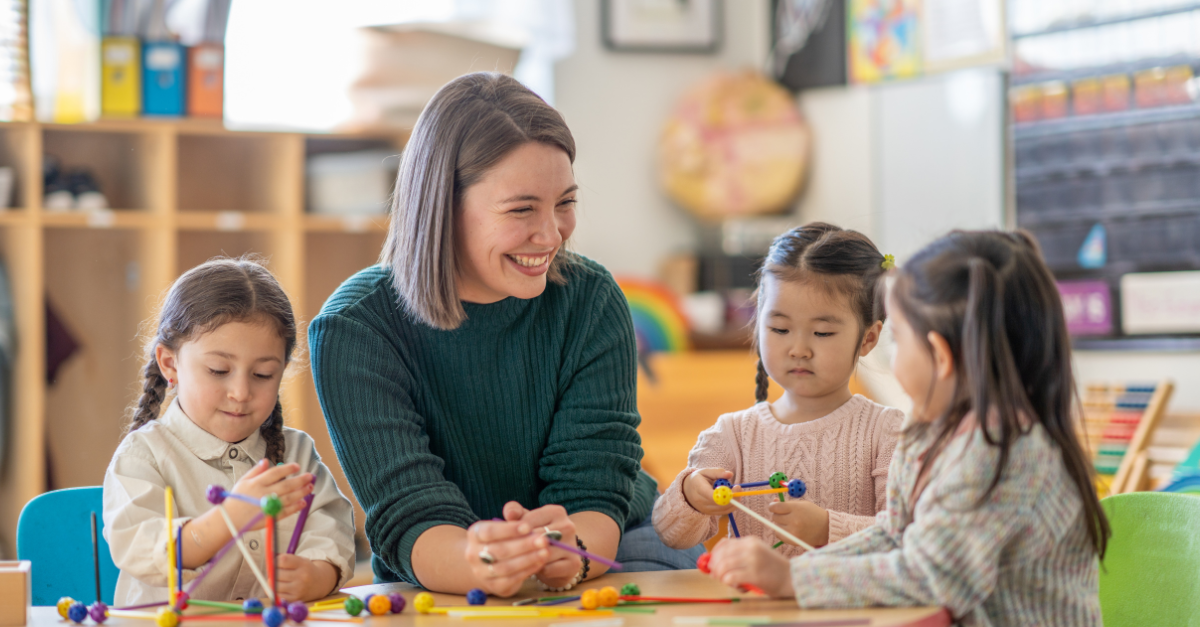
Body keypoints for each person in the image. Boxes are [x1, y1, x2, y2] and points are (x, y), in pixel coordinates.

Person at [308, 72, 702, 597]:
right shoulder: (355, 328)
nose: (552, 234)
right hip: (445, 571)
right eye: (521, 209)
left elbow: (596, 491)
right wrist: (485, 564)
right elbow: (409, 516)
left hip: (618, 546)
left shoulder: (590, 299)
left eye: (565, 202)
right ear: (442, 206)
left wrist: (570, 553)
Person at [706, 230, 1108, 626]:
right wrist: (793, 571)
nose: (890, 355)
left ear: (940, 357)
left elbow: (935, 578)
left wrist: (793, 579)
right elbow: (895, 534)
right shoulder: (929, 434)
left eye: (898, 337)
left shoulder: (1003, 451)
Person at [103, 258, 355, 605]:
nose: (240, 392)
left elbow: (333, 532)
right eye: (218, 370)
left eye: (263, 374)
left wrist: (317, 576)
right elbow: (143, 548)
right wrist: (230, 517)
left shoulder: (296, 454)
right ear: (170, 364)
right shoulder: (142, 456)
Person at [653, 223, 903, 555]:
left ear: (868, 338)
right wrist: (689, 495)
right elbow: (671, 535)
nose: (798, 349)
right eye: (780, 329)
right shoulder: (731, 435)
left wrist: (827, 528)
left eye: (822, 333)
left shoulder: (887, 432)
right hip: (753, 591)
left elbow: (906, 536)